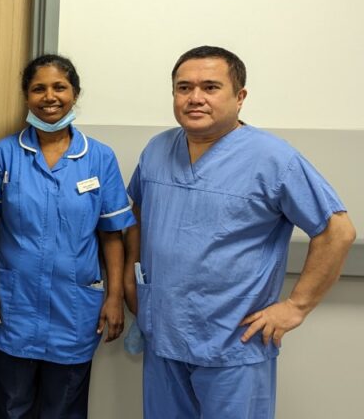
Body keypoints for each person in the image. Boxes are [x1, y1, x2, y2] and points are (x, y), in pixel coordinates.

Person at [123, 45, 357, 419]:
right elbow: (136, 214)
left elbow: (337, 231)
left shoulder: (273, 159)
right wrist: (129, 277)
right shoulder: (156, 150)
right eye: (184, 88)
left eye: (211, 87)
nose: (195, 98)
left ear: (240, 96)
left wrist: (295, 307)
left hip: (233, 343)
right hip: (164, 335)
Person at [0, 54, 134, 418]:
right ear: (26, 97)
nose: (50, 96)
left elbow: (112, 234)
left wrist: (113, 298)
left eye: (59, 87)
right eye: (38, 88)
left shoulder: (99, 158)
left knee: (64, 410)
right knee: (10, 408)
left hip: (74, 311)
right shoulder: (5, 153)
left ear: (75, 93)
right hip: (13, 308)